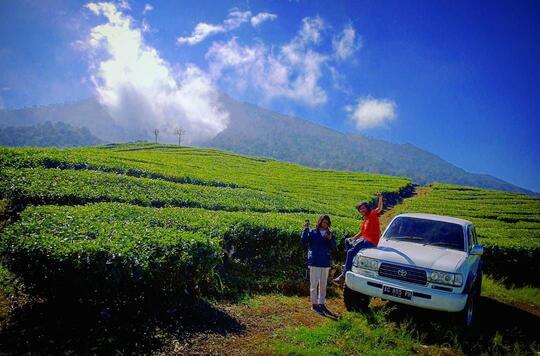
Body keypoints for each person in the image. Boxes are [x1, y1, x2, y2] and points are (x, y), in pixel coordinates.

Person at [334, 193, 383, 284]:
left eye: (363, 208)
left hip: (371, 241)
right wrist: (352, 238)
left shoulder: (372, 213)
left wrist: (380, 198)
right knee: (347, 241)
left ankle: (344, 275)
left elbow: (380, 208)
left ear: (367, 208)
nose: (362, 210)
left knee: (350, 252)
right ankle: (352, 261)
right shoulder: (365, 220)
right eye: (360, 209)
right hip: (364, 239)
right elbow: (361, 233)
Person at [301, 214, 337, 315]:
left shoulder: (329, 233)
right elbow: (304, 240)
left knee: (323, 285)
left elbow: (333, 247)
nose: (325, 224)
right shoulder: (313, 232)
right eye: (323, 222)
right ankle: (314, 304)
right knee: (314, 284)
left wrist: (330, 239)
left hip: (325, 262)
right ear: (320, 222)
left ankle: (321, 303)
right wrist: (305, 229)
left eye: (327, 223)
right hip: (315, 261)